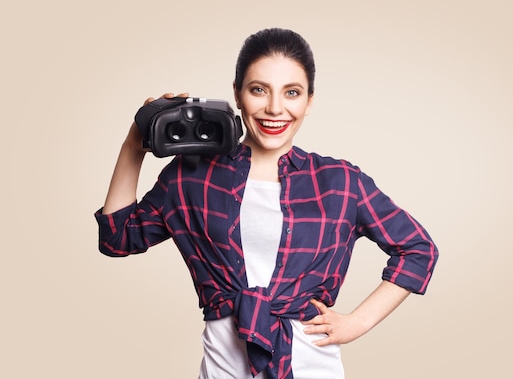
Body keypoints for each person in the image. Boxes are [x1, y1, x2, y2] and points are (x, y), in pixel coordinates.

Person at [95, 28, 438, 379]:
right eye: (259, 90)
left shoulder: (340, 182)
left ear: (309, 100)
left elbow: (417, 249)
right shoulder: (192, 176)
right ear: (237, 94)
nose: (275, 108)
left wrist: (356, 324)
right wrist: (134, 143)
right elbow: (117, 238)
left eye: (292, 92)